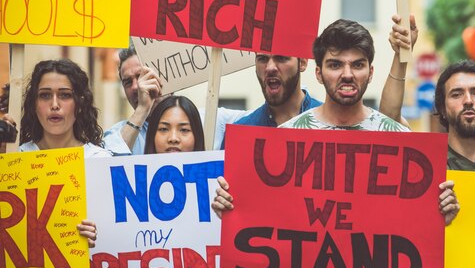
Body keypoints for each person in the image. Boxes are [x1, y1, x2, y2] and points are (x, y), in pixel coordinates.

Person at [213, 19, 460, 268]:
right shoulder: (285, 138)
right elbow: (257, 218)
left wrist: (439, 212)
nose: (347, 74)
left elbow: (418, 227)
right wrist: (232, 206)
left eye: (357, 64)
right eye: (335, 64)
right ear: (318, 73)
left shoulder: (399, 139)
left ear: (370, 72)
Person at [380, 16, 475, 172]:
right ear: (442, 108)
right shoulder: (424, 165)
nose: (468, 100)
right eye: (456, 94)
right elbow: (388, 120)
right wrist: (402, 55)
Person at [17, 59, 106, 247]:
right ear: (34, 104)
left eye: (65, 95)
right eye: (45, 95)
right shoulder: (16, 159)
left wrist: (100, 234)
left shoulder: (101, 162)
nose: (55, 104)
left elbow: (118, 232)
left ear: (79, 104)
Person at [104, 46, 247, 154]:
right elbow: (103, 168)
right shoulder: (118, 135)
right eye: (128, 82)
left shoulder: (212, 119)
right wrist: (142, 110)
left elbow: (265, 118)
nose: (137, 86)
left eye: (143, 75)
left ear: (167, 76)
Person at [220, 53, 322, 149]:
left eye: (281, 58)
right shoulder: (238, 135)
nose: (270, 68)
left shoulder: (332, 124)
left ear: (302, 62)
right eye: (262, 59)